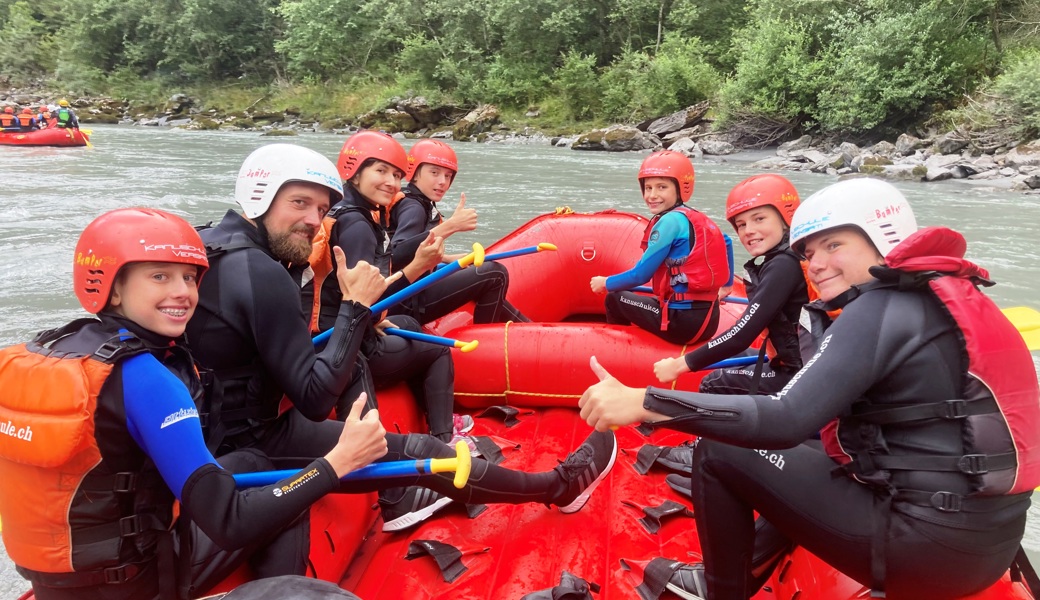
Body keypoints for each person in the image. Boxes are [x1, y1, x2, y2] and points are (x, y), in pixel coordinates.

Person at [578, 178, 1040, 599]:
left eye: (833, 245)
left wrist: (645, 402)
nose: (815, 265)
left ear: (883, 239)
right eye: (808, 252)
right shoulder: (936, 298)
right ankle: (754, 563)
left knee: (720, 450)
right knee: (810, 449)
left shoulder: (880, 310)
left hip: (925, 550)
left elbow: (785, 418)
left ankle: (720, 591)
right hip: (984, 546)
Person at [189, 142, 618, 533]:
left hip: (220, 430)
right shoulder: (262, 272)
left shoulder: (208, 243)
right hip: (250, 439)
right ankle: (559, 487)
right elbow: (316, 399)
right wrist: (357, 309)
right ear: (261, 195)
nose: (312, 220)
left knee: (383, 382)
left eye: (319, 209)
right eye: (299, 203)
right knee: (425, 452)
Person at [0, 208, 390, 599]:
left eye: (189, 277)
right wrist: (337, 463)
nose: (183, 292)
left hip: (58, 583)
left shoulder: (37, 354)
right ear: (112, 287)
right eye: (159, 276)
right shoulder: (148, 380)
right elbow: (230, 522)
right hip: (142, 586)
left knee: (252, 463)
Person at [304, 132, 462, 451]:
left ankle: (429, 417)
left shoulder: (339, 211)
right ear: (355, 170)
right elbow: (366, 301)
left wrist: (375, 318)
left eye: (396, 175)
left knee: (408, 327)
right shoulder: (359, 226)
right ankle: (447, 439)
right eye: (380, 171)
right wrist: (416, 267)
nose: (391, 182)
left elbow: (350, 293)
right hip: (349, 345)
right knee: (437, 350)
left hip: (332, 333)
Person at [653, 174, 809, 395]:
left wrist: (680, 365)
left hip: (799, 373)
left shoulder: (784, 266)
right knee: (738, 358)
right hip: (799, 361)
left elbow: (741, 333)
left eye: (759, 219)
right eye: (742, 224)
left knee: (713, 383)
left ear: (786, 218)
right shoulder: (792, 256)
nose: (748, 231)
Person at [590, 150, 731, 345]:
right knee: (648, 298)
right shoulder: (696, 217)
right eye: (648, 188)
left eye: (662, 187)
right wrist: (728, 285)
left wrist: (605, 282)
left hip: (682, 324)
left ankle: (619, 349)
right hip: (708, 320)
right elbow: (726, 241)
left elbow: (641, 276)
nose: (652, 195)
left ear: (681, 189)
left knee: (615, 299)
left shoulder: (669, 222)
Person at [387, 138, 529, 324]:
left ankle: (527, 326)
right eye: (434, 173)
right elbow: (396, 254)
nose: (442, 182)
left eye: (448, 176)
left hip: (408, 295)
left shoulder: (418, 202)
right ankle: (489, 342)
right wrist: (452, 225)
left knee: (479, 273)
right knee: (495, 273)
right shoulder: (413, 207)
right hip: (405, 301)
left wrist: (446, 258)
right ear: (414, 172)